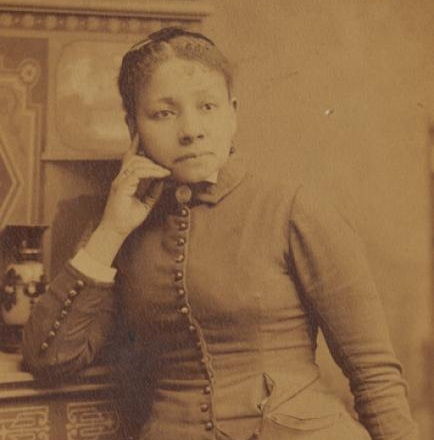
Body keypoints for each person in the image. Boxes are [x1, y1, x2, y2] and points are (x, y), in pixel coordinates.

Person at [22, 27, 418, 440]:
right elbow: (49, 357)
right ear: (132, 127)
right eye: (164, 113)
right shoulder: (120, 227)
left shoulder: (292, 210)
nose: (191, 129)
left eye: (207, 107)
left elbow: (374, 374)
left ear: (232, 113)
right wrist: (111, 230)